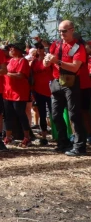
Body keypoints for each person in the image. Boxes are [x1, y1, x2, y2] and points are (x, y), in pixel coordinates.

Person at [44, 20, 87, 156]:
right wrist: (46, 61)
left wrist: (57, 62)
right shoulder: (56, 45)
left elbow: (75, 67)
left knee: (74, 115)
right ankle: (63, 143)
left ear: (72, 30)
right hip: (57, 81)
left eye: (64, 31)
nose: (62, 34)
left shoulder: (77, 47)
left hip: (71, 81)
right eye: (60, 31)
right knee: (55, 115)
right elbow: (47, 62)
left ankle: (80, 146)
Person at [3, 43, 32, 148]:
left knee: (20, 114)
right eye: (10, 48)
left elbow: (20, 75)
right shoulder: (10, 61)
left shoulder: (23, 61)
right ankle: (8, 136)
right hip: (8, 91)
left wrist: (6, 73)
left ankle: (27, 137)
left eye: (12, 49)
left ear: (19, 51)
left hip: (19, 92)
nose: (10, 50)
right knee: (8, 115)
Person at [31, 42, 52, 145]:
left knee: (54, 114)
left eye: (41, 48)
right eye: (37, 48)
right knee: (42, 114)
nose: (39, 49)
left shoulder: (49, 60)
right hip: (38, 91)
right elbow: (32, 77)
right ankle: (44, 136)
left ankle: (59, 135)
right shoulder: (34, 62)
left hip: (50, 90)